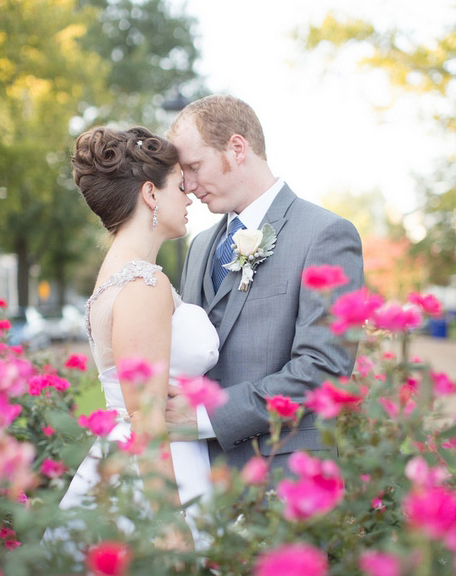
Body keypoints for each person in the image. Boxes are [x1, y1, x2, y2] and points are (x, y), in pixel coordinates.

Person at [166, 94, 364, 477]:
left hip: (285, 474)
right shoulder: (201, 245)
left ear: (237, 148)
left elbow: (323, 367)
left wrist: (209, 415)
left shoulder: (325, 234)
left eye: (193, 166)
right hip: (201, 473)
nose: (187, 185)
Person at [57, 125, 220, 545]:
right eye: (179, 188)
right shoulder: (144, 284)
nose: (188, 198)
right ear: (151, 194)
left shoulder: (119, 274)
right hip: (156, 472)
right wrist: (172, 529)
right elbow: (145, 417)